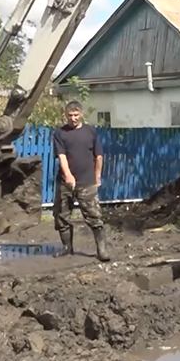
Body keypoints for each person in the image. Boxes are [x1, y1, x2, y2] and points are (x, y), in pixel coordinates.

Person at [52, 100, 110, 261]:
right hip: (65, 182)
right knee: (61, 215)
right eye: (70, 115)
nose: (73, 118)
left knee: (94, 216)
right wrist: (68, 175)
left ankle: (101, 249)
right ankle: (67, 247)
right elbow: (61, 156)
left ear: (81, 114)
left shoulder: (90, 132)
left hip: (87, 181)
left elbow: (98, 156)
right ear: (65, 115)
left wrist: (97, 176)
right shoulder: (60, 133)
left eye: (76, 115)